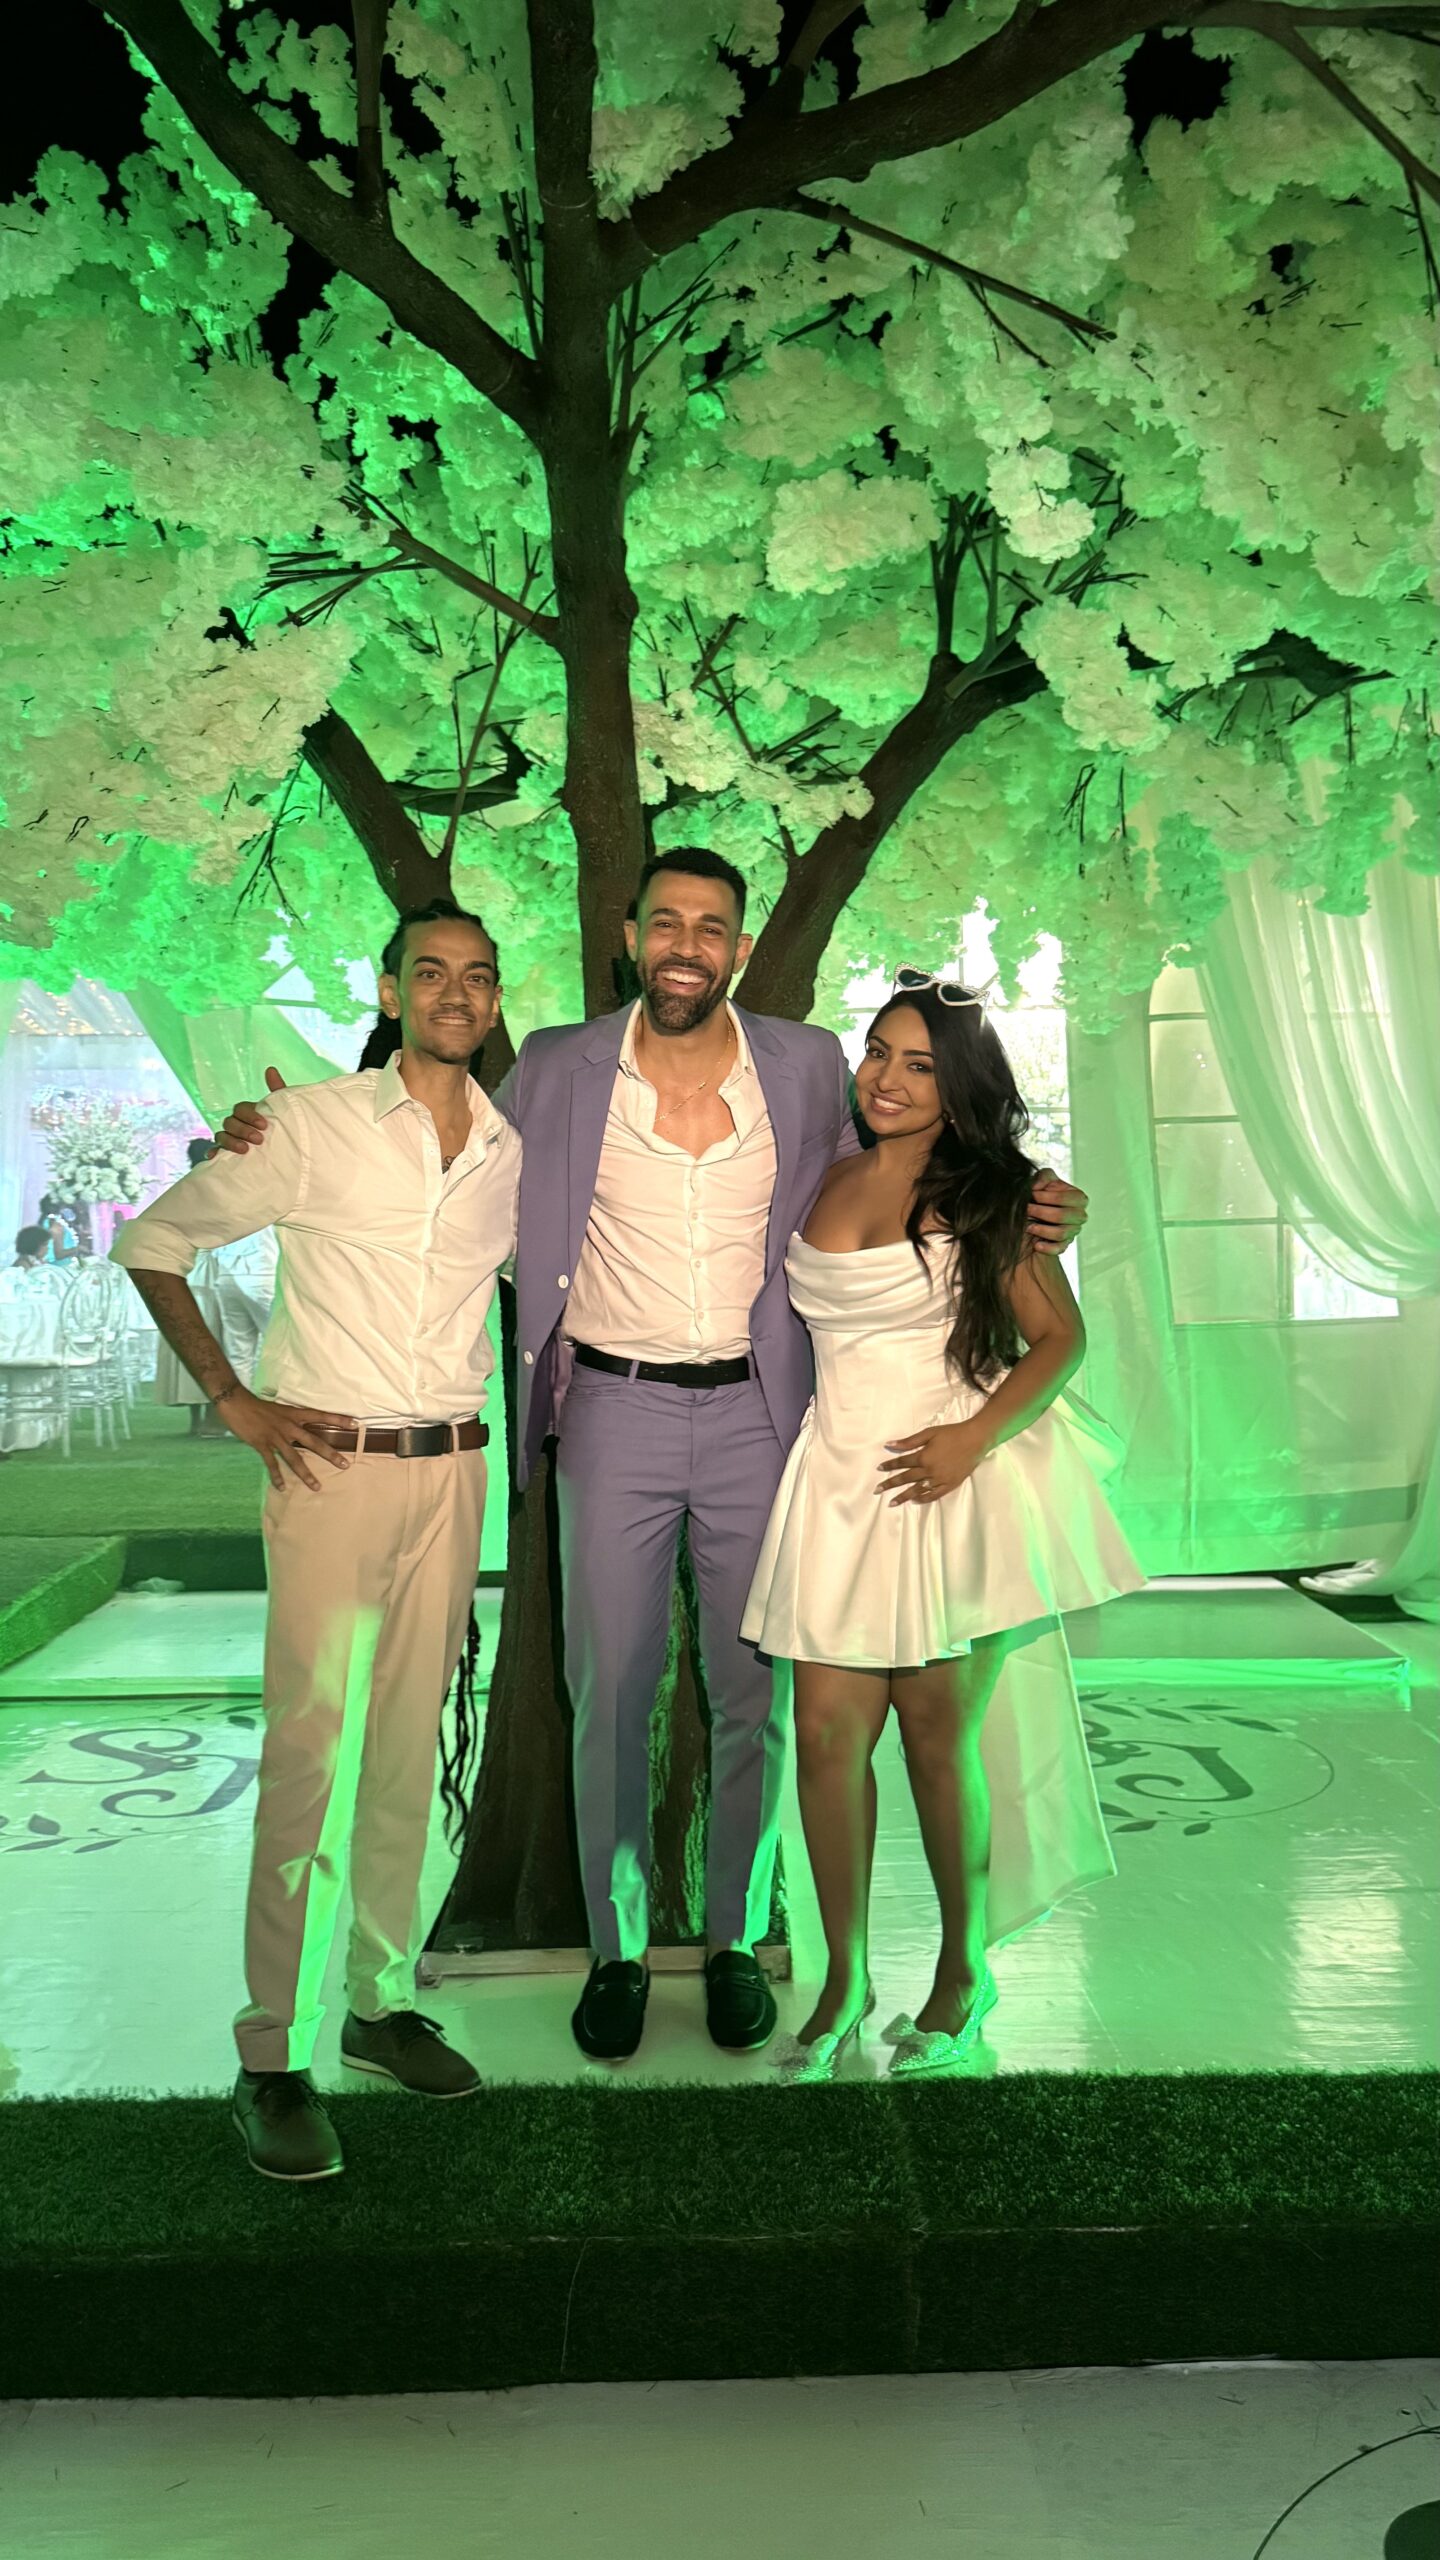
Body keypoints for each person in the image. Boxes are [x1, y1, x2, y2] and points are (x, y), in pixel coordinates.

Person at [216, 853, 1089, 2065]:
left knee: (754, 1693)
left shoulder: (809, 1064)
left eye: (711, 926)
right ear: (629, 938)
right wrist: (276, 1129)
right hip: (609, 1411)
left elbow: (917, 1167)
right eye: (666, 922)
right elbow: (439, 1139)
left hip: (763, 1417)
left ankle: (734, 1936)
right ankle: (618, 1949)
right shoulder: (555, 1066)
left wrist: (1040, 1203)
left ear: (739, 949)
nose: (687, 944)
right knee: (610, 1690)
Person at [113, 902, 519, 2180]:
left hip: (456, 1472)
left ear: (494, 1001)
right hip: (329, 1470)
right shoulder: (309, 1125)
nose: (454, 993)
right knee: (308, 1758)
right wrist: (231, 1399)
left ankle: (378, 2006)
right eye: (430, 973)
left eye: (476, 976)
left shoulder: (509, 1147)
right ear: (391, 992)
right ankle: (271, 2055)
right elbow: (154, 1242)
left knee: (405, 1752)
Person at [742, 973, 1144, 2081]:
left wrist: (972, 1439)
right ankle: (844, 1980)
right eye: (879, 1052)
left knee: (933, 1739)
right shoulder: (826, 1172)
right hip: (835, 1482)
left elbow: (1058, 1340)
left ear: (960, 1086)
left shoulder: (993, 1194)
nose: (887, 1078)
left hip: (946, 1484)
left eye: (919, 1065)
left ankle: (963, 1973)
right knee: (826, 1739)